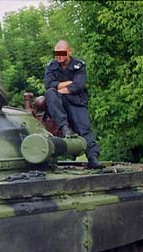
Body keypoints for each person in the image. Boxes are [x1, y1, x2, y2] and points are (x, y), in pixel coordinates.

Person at [44, 40, 102, 169]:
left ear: (69, 52)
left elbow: (78, 85)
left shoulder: (78, 65)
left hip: (76, 101)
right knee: (50, 93)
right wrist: (67, 83)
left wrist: (60, 87)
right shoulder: (51, 66)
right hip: (58, 103)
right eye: (57, 53)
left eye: (62, 52)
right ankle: (64, 127)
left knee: (84, 128)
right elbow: (48, 84)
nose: (59, 55)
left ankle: (93, 157)